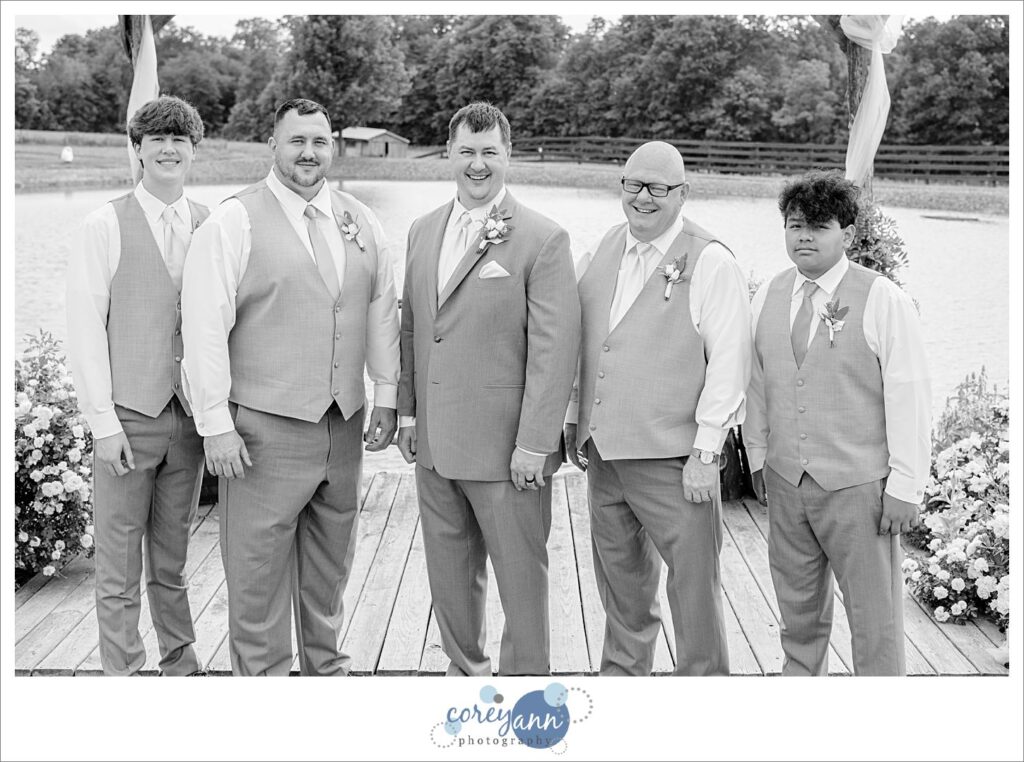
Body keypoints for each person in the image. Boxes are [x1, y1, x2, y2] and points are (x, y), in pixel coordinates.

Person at [180, 98, 400, 676]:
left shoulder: (362, 220)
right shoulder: (234, 220)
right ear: (272, 145)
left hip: (344, 426)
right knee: (256, 580)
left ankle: (326, 679)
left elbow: (380, 313)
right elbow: (203, 327)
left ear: (333, 147)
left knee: (330, 570)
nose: (309, 152)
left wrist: (387, 393)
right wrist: (215, 425)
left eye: (320, 141)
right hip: (261, 431)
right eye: (297, 140)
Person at [396, 102, 580, 676]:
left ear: (509, 156)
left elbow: (555, 353)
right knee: (450, 576)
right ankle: (464, 676)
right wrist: (407, 416)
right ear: (449, 154)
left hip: (508, 453)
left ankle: (526, 693)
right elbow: (412, 328)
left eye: (490, 153)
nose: (478, 165)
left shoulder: (544, 239)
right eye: (467, 152)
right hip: (435, 445)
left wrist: (535, 443)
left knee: (521, 581)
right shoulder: (422, 230)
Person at [564, 141, 750, 676]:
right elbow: (589, 343)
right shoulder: (606, 247)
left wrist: (707, 453)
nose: (642, 198)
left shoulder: (711, 260)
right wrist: (576, 419)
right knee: (621, 593)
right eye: (633, 185)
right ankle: (623, 686)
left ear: (683, 193)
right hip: (604, 457)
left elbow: (730, 364)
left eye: (658, 188)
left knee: (694, 594)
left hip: (676, 461)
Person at [745, 170, 931, 676]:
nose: (803, 236)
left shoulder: (883, 298)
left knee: (875, 621)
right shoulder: (767, 295)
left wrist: (905, 486)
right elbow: (757, 386)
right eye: (795, 224)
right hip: (786, 482)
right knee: (797, 616)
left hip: (860, 489)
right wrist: (759, 459)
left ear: (847, 234)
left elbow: (910, 395)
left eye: (818, 226)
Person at [65, 95, 208, 676]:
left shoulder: (211, 222)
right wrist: (103, 423)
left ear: (194, 150)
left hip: (191, 421)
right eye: (158, 139)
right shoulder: (103, 224)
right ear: (138, 149)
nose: (170, 149)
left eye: (181, 140)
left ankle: (180, 664)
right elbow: (83, 330)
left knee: (172, 559)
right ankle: (122, 677)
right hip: (128, 419)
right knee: (118, 564)